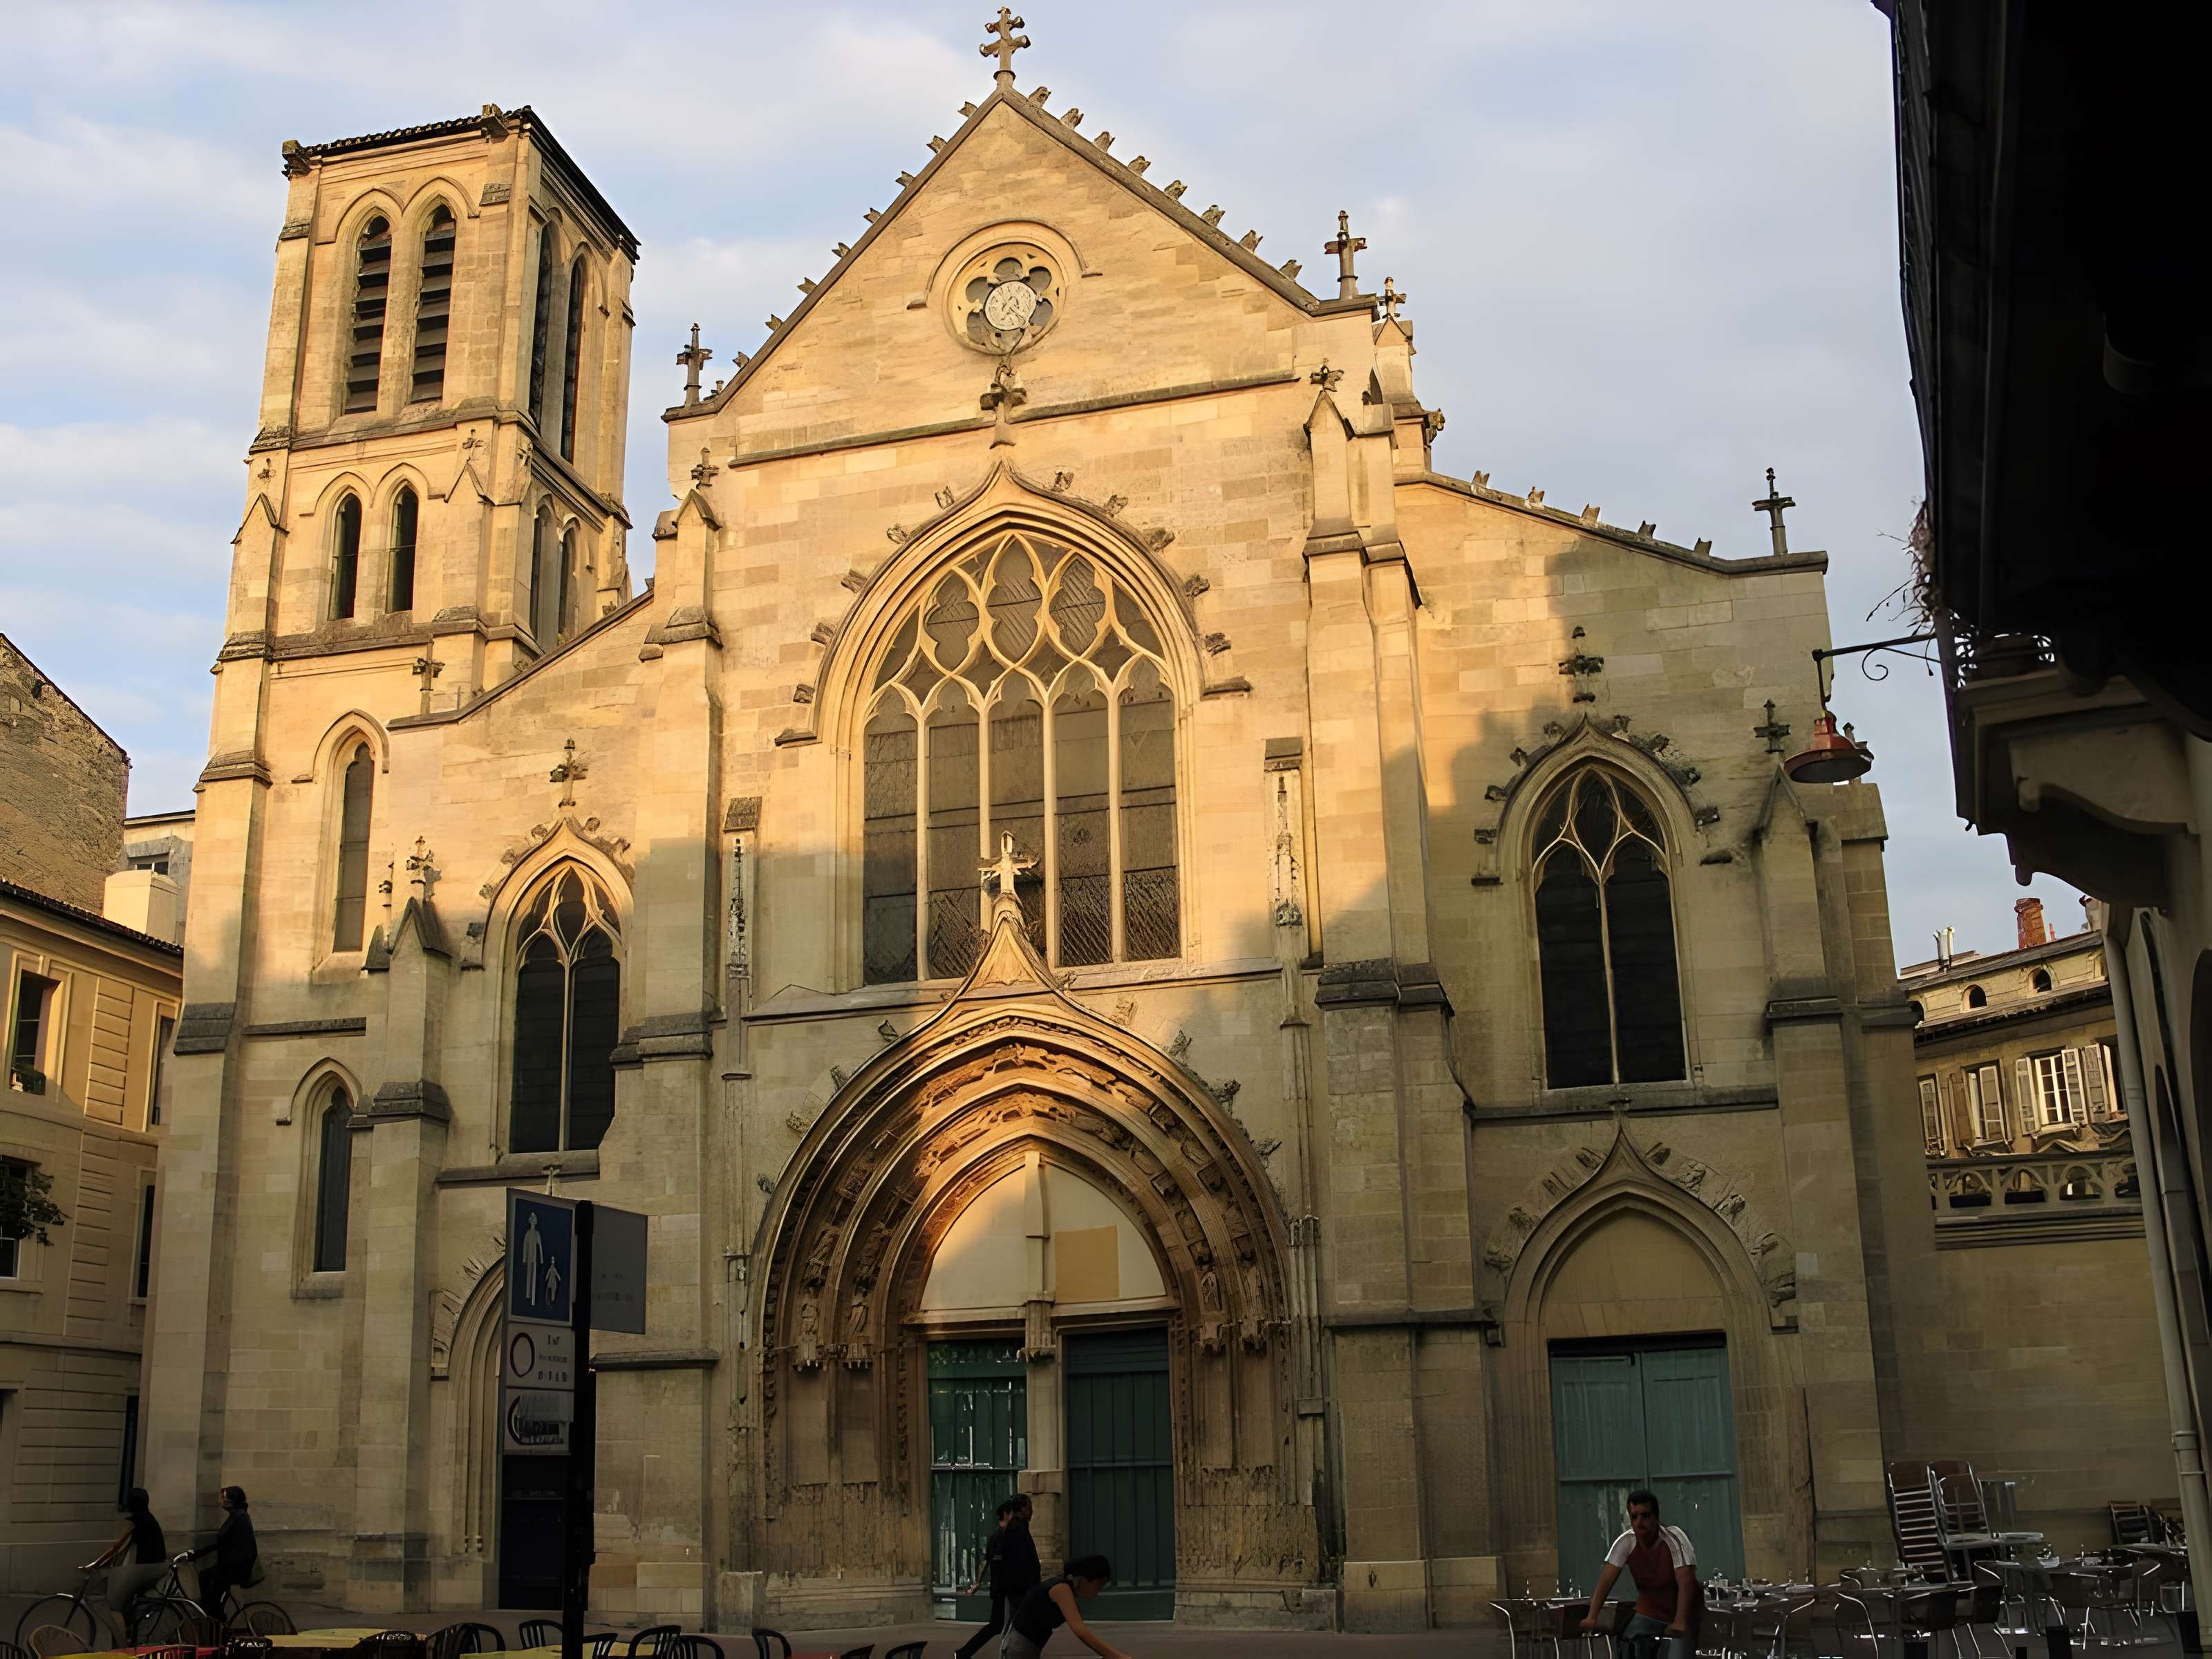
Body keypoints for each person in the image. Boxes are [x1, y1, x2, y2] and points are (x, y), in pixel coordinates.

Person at [1580, 1489, 1699, 1659]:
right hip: (1649, 1614)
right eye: (1634, 1517)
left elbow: (1686, 1584)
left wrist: (1680, 1622)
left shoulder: (1674, 1538)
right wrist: (1592, 1617)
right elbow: (1605, 1581)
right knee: (1629, 1645)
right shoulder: (1626, 1542)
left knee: (1677, 1653)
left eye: (1645, 1516)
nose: (1639, 1522)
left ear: (1656, 1517)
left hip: (1681, 1614)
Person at [955, 1493, 1039, 1659]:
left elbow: (991, 1562)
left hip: (1009, 1590)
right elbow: (1007, 1563)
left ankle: (964, 1653)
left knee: (998, 1625)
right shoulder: (1010, 1532)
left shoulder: (1013, 1531)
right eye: (1029, 1508)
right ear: (1020, 1510)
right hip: (1013, 1591)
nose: (1032, 1512)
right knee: (1012, 1625)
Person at [1001, 1555, 1130, 1658]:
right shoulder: (1061, 1589)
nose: (1097, 1593)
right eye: (1098, 1586)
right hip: (1019, 1647)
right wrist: (1116, 1655)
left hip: (1025, 1646)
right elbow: (1080, 1631)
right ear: (1083, 1580)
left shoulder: (1063, 1587)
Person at [84, 1487, 168, 1643]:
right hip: (159, 1567)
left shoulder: (133, 1521)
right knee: (130, 1599)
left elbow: (116, 1547)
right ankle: (132, 1631)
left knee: (114, 1605)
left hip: (144, 1569)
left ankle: (122, 1643)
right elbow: (122, 1551)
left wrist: (95, 1564)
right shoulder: (150, 1518)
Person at [191, 1485, 259, 1615]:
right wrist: (196, 1554)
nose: (220, 1500)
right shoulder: (237, 1516)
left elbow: (224, 1543)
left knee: (212, 1598)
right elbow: (221, 1543)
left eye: (223, 1497)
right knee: (205, 1578)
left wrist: (197, 1554)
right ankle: (215, 1618)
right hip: (231, 1567)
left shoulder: (239, 1517)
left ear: (230, 1501)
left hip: (233, 1569)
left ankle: (216, 1622)